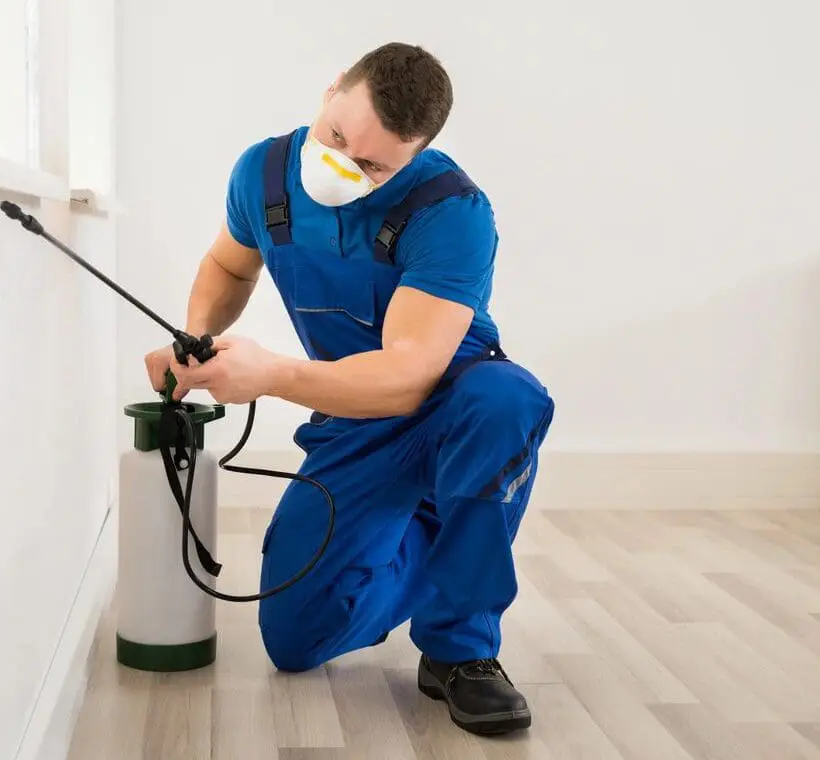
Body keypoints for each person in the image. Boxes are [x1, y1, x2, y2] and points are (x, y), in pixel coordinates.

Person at [145, 42, 554, 736]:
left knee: (506, 399)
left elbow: (406, 376)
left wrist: (271, 375)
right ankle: (442, 526)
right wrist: (197, 343)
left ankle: (461, 651)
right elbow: (228, 264)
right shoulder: (264, 176)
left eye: (372, 165)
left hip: (450, 403)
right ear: (332, 90)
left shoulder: (451, 211)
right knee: (296, 638)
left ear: (416, 153)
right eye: (337, 139)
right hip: (353, 417)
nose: (342, 166)